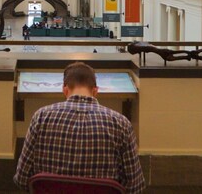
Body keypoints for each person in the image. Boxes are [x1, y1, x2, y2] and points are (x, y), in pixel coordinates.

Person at [14, 62, 144, 193]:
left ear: (65, 90)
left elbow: (22, 178)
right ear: (95, 91)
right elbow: (135, 186)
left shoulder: (41, 117)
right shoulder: (121, 123)